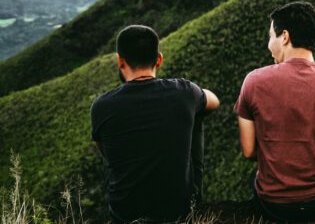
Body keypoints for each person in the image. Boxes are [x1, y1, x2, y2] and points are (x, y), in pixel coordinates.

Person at [235, 2, 315, 222]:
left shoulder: (253, 81)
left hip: (273, 205)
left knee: (256, 182)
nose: (269, 45)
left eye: (270, 37)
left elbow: (249, 151)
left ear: (284, 36)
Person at [91, 25, 220, 223]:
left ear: (120, 61)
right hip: (176, 213)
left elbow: (107, 153)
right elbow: (214, 101)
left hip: (124, 215)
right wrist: (193, 95)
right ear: (159, 59)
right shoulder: (184, 92)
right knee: (197, 113)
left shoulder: (101, 106)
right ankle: (194, 204)